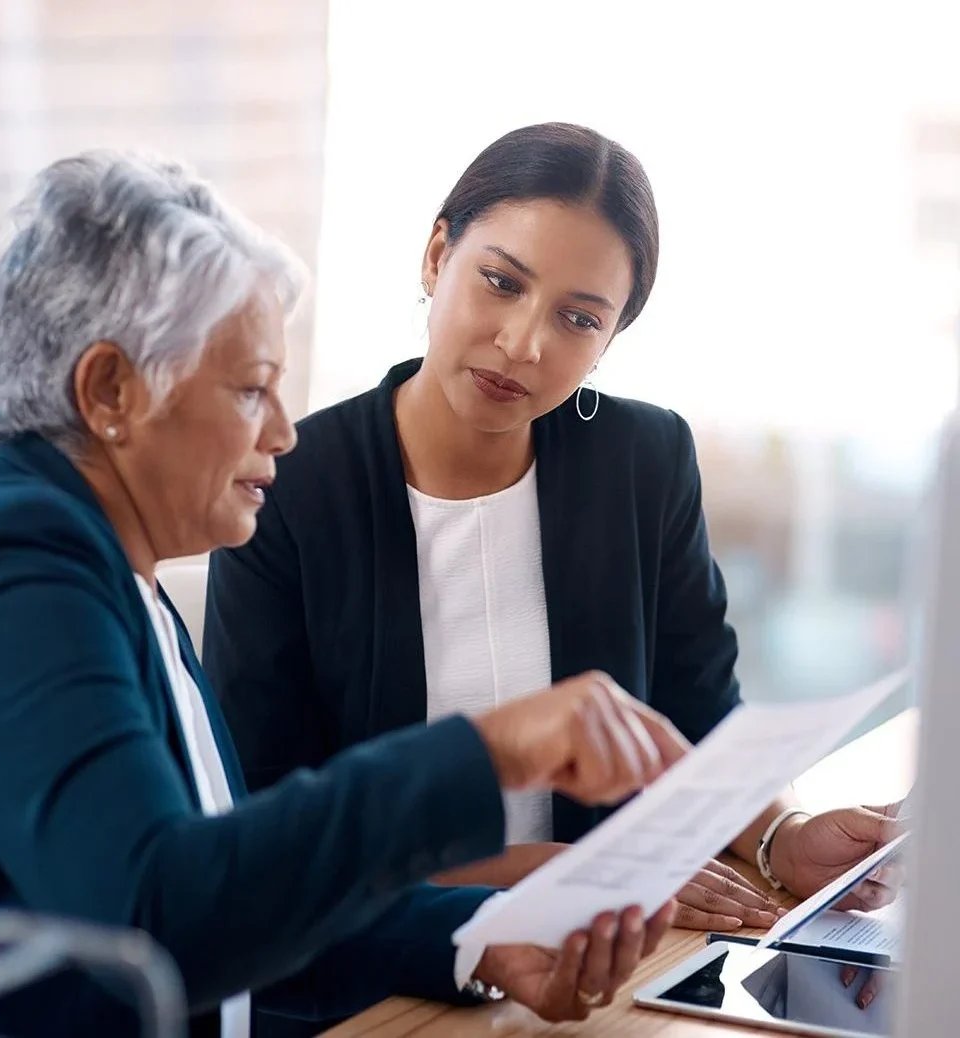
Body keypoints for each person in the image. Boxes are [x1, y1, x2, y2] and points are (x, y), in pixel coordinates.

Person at [0, 152, 686, 1038]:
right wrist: (486, 753)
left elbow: (232, 894)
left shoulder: (113, 574)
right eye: (252, 390)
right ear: (111, 390)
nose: (284, 433)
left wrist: (480, 936)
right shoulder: (10, 568)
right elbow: (157, 918)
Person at [204, 122, 905, 937]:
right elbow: (268, 819)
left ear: (610, 340)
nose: (524, 343)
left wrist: (783, 838)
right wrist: (556, 877)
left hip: (604, 951)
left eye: (578, 319)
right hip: (372, 960)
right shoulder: (288, 482)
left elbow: (700, 712)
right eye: (501, 282)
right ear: (437, 258)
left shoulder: (643, 460)